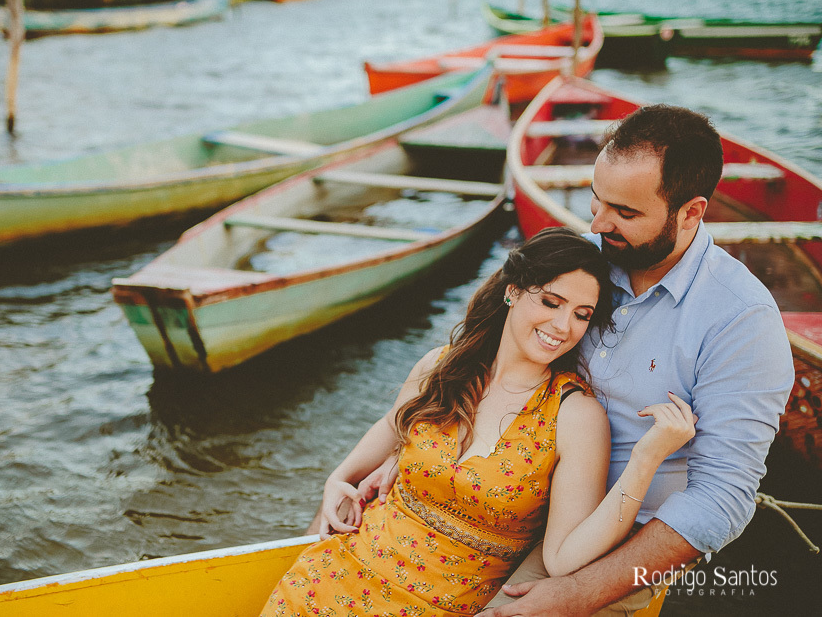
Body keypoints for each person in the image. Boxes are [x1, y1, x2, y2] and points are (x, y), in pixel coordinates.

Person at [262, 227, 698, 616]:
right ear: (513, 291)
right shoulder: (442, 367)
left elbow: (564, 558)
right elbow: (392, 425)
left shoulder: (574, 415)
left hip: (443, 605)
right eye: (551, 301)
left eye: (582, 314)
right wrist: (338, 477)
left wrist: (647, 459)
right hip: (334, 579)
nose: (563, 325)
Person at [474, 104, 795, 616]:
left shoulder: (741, 321)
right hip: (507, 487)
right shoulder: (586, 261)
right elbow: (485, 351)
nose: (598, 224)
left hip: (605, 546)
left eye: (625, 213)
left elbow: (721, 501)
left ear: (691, 213)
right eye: (596, 200)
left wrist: (578, 594)